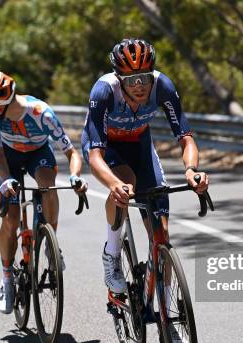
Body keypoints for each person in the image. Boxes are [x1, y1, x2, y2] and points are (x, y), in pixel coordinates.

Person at [81, 38, 208, 295]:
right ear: (119, 79)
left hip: (140, 143)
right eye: (130, 80)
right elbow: (95, 157)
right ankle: (112, 255)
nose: (139, 86)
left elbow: (186, 137)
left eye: (144, 78)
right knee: (125, 184)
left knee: (161, 236)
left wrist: (192, 170)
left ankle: (165, 311)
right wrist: (114, 184)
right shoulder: (104, 91)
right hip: (108, 147)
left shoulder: (162, 85)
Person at [0, 71, 88, 314]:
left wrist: (76, 176)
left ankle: (50, 243)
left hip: (38, 153)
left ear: (2, 102)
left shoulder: (41, 113)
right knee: (11, 218)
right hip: (7, 158)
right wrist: (6, 180)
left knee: (47, 184)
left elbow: (71, 153)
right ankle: (6, 279)